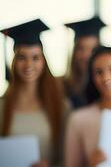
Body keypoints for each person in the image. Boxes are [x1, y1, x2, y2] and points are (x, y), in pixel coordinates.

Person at [0, 19, 68, 166]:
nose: (28, 65)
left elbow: (70, 159)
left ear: (43, 62)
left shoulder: (61, 106)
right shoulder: (2, 107)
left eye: (35, 57)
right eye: (21, 57)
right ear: (13, 62)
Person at [63, 16, 105, 109]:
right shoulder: (63, 86)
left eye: (92, 50)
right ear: (74, 52)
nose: (86, 56)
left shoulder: (104, 86)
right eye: (81, 49)